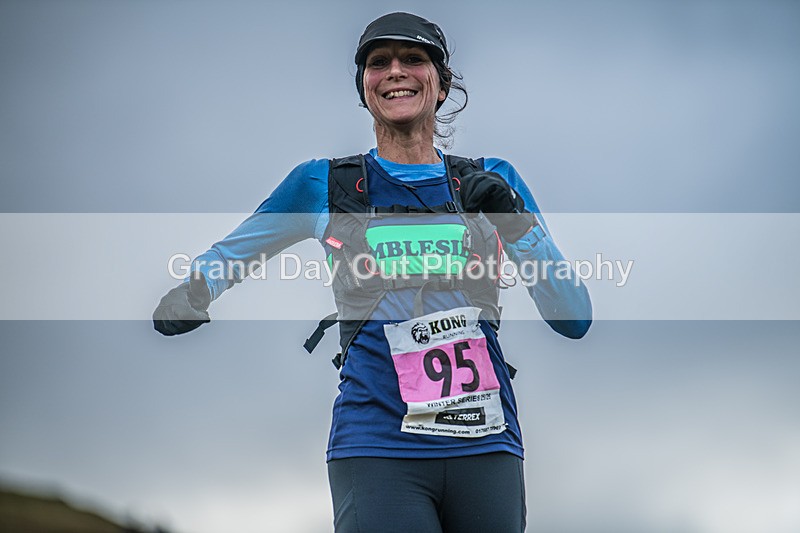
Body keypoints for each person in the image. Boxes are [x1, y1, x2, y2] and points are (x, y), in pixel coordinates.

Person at [153, 12, 592, 532]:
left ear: (441, 83)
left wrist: (516, 225)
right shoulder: (324, 183)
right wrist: (194, 291)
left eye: (413, 59)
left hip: (485, 444)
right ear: (364, 87)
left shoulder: (492, 179)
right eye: (378, 62)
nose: (395, 71)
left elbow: (574, 317)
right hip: (377, 445)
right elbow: (234, 252)